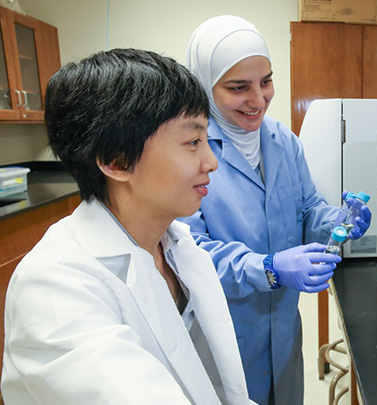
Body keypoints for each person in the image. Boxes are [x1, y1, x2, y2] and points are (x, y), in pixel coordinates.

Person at [1, 49, 253, 404]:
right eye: (192, 142)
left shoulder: (175, 243)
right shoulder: (55, 289)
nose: (211, 162)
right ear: (117, 161)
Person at [181, 16, 372, 404]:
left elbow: (306, 210)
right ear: (204, 85)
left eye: (265, 81)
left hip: (283, 331)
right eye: (239, 87)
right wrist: (267, 267)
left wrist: (338, 222)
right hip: (224, 337)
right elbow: (187, 252)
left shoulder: (283, 141)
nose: (258, 99)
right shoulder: (187, 151)